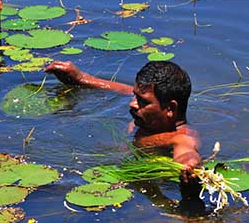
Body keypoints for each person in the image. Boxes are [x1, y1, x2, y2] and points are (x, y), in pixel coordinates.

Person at [45, 60, 202, 199]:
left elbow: (187, 153)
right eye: (135, 96)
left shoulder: (181, 137)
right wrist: (80, 78)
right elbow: (123, 89)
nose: (132, 103)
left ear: (170, 108)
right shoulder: (147, 115)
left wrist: (189, 167)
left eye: (142, 101)